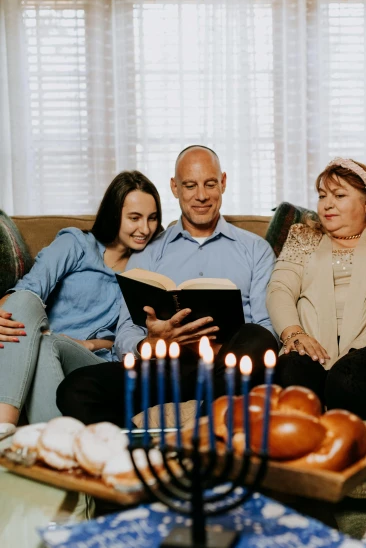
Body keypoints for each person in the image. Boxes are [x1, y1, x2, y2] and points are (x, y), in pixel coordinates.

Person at [56, 145, 278, 426]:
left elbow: (267, 329)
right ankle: (140, 454)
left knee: (257, 336)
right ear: (175, 187)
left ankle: (201, 434)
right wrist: (151, 342)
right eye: (190, 185)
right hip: (167, 367)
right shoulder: (148, 252)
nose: (201, 195)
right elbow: (125, 329)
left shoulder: (255, 249)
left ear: (223, 182)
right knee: (77, 387)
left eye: (210, 184)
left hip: (230, 366)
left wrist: (223, 347)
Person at [0, 171, 162, 425]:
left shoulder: (145, 271)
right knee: (26, 305)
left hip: (90, 363)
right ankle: (6, 427)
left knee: (49, 343)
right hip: (38, 344)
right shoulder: (76, 244)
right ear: (114, 214)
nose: (145, 229)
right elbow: (30, 288)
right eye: (135, 218)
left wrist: (91, 344)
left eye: (152, 219)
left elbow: (126, 338)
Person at [266, 157, 366, 418]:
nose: (327, 204)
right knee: (289, 371)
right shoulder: (304, 236)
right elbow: (280, 289)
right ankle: (301, 455)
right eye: (322, 196)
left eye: (339, 195)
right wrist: (293, 334)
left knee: (349, 379)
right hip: (310, 346)